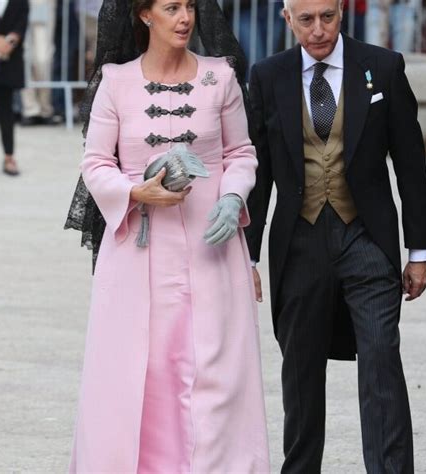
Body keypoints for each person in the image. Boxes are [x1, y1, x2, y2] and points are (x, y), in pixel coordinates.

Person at [65, 0, 269, 471]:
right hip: (139, 251)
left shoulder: (221, 76)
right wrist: (135, 192)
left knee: (216, 372)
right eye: (172, 7)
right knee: (144, 369)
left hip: (212, 246)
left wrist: (234, 196)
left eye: (190, 6)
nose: (185, 18)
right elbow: (96, 162)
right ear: (143, 15)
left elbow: (241, 151)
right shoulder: (116, 83)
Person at [245, 0, 426, 472]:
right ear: (286, 19)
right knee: (301, 374)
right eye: (305, 19)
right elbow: (258, 173)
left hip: (367, 238)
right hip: (299, 242)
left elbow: (410, 165)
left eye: (327, 16)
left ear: (342, 13)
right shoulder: (268, 76)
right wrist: (245, 259)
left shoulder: (383, 68)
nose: (318, 30)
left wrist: (419, 251)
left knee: (381, 363)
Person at [0, 0, 29, 175]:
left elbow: (20, 26)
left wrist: (7, 44)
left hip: (8, 59)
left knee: (6, 110)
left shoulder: (20, 2)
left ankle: (9, 156)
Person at [20, 0, 58, 126]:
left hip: (42, 3)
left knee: (43, 58)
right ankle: (30, 109)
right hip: (18, 4)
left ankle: (44, 108)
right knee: (25, 57)